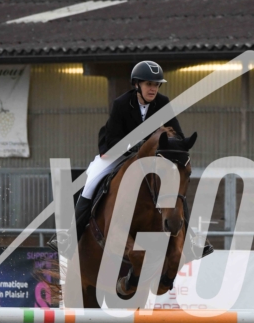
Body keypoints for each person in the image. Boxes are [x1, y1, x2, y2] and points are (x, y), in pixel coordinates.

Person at [53, 60, 213, 259]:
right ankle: (70, 236)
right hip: (117, 153)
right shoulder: (121, 103)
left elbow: (177, 133)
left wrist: (178, 145)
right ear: (137, 84)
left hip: (150, 156)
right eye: (148, 84)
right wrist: (138, 147)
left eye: (156, 85)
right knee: (92, 180)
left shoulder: (163, 102)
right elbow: (112, 138)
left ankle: (192, 239)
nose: (153, 89)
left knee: (175, 184)